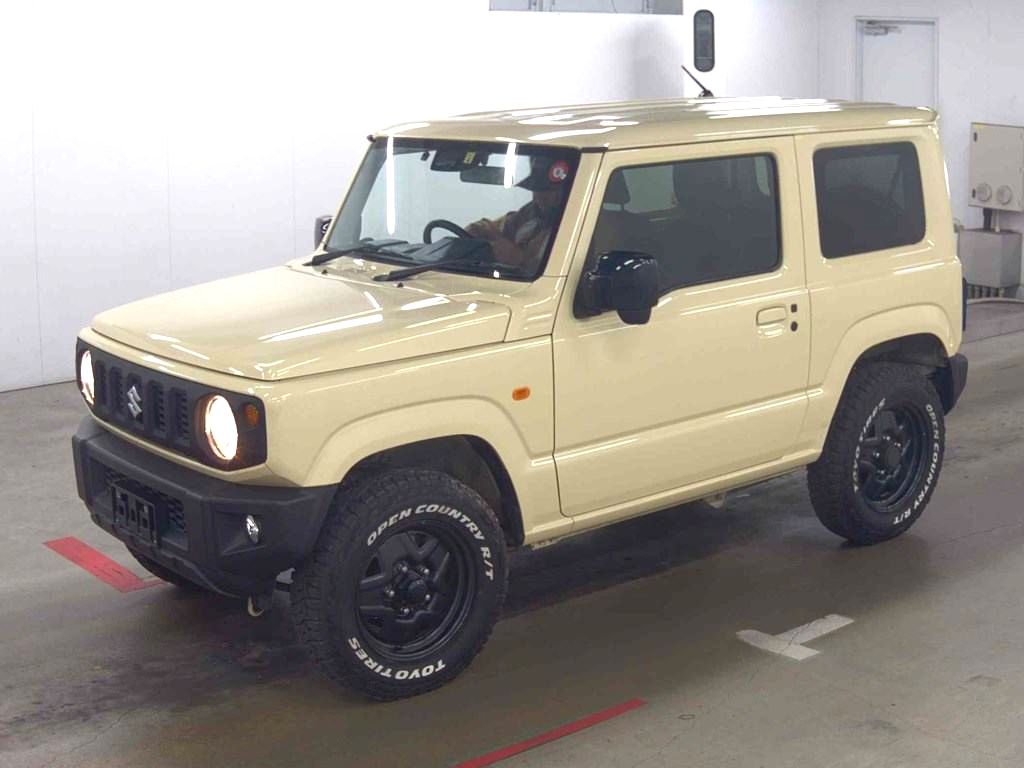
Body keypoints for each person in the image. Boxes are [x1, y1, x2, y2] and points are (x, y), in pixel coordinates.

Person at [465, 156, 571, 273]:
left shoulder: (573, 228)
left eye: (549, 190)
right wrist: (481, 229)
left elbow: (558, 274)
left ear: (568, 191)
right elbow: (500, 225)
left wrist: (519, 259)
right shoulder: (531, 213)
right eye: (537, 188)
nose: (540, 196)